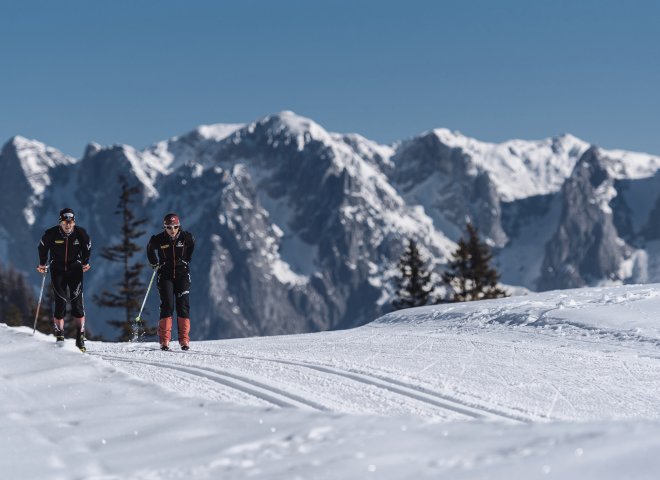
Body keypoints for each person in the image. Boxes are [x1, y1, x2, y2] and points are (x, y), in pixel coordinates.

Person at [37, 208, 91, 352]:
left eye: (70, 222)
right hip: (57, 271)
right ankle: (60, 339)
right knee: (60, 302)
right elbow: (42, 247)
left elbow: (87, 246)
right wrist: (42, 263)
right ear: (60, 222)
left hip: (75, 271)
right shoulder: (51, 234)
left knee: (76, 302)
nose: (68, 225)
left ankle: (80, 340)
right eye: (65, 222)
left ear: (74, 222)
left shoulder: (80, 233)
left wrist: (85, 262)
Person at [146, 213, 195, 351]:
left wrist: (187, 259)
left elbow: (192, 244)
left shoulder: (186, 237)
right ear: (164, 227)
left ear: (179, 226)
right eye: (169, 227)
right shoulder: (158, 239)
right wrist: (154, 263)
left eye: (175, 227)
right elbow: (149, 248)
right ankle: (164, 341)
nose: (172, 230)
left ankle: (184, 340)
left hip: (182, 275)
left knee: (183, 306)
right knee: (167, 305)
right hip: (165, 275)